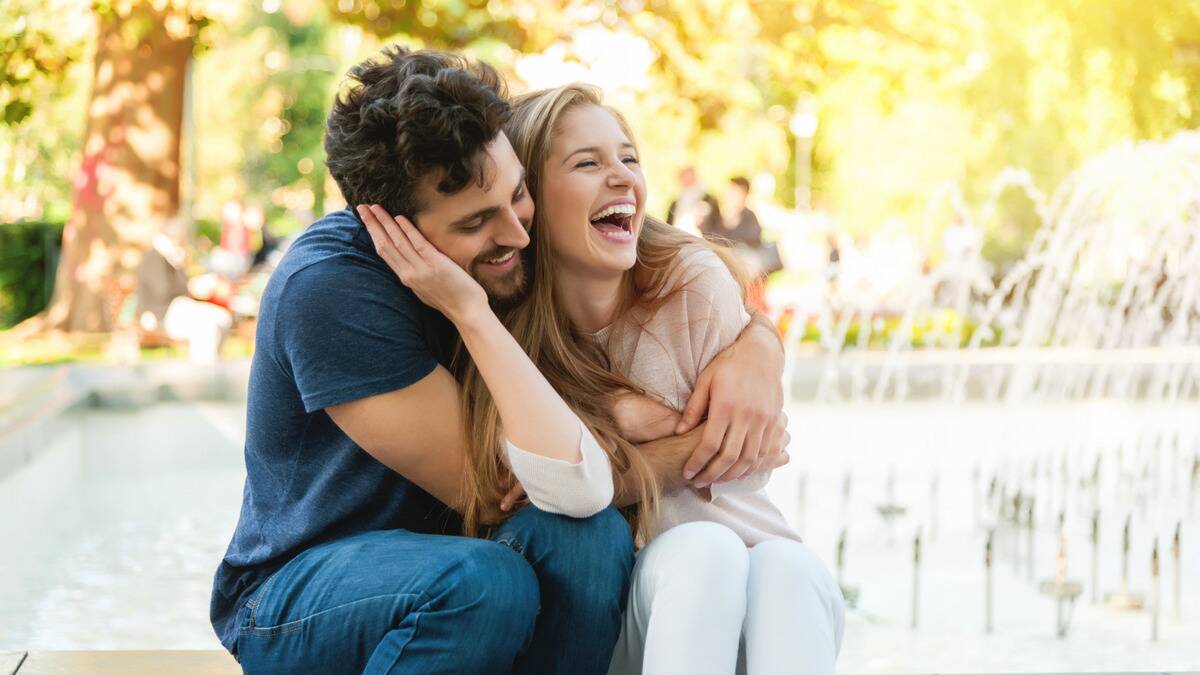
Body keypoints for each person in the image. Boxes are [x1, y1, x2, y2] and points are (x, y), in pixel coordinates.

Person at [212, 46, 787, 674]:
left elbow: (664, 261)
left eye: (518, 195)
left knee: (585, 536)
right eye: (478, 223)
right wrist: (699, 442)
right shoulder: (332, 292)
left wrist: (755, 345)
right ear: (389, 228)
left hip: (459, 560)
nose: (517, 235)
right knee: (483, 582)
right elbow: (495, 490)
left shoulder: (508, 238)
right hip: (304, 593)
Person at [363, 84, 842, 674]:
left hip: (760, 583)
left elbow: (754, 455)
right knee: (703, 551)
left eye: (629, 158)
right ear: (528, 198)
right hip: (638, 606)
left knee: (790, 568)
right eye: (587, 163)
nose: (620, 176)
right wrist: (653, 426)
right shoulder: (506, 330)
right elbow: (558, 489)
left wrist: (752, 351)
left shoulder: (688, 281)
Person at [666, 166, 721, 236]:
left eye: (689, 177)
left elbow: (716, 225)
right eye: (683, 178)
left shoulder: (710, 200)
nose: (686, 181)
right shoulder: (674, 204)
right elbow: (668, 225)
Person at [711, 176, 763, 247]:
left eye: (736, 192)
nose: (730, 196)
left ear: (744, 195)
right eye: (730, 191)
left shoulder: (750, 218)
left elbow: (753, 243)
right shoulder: (715, 213)